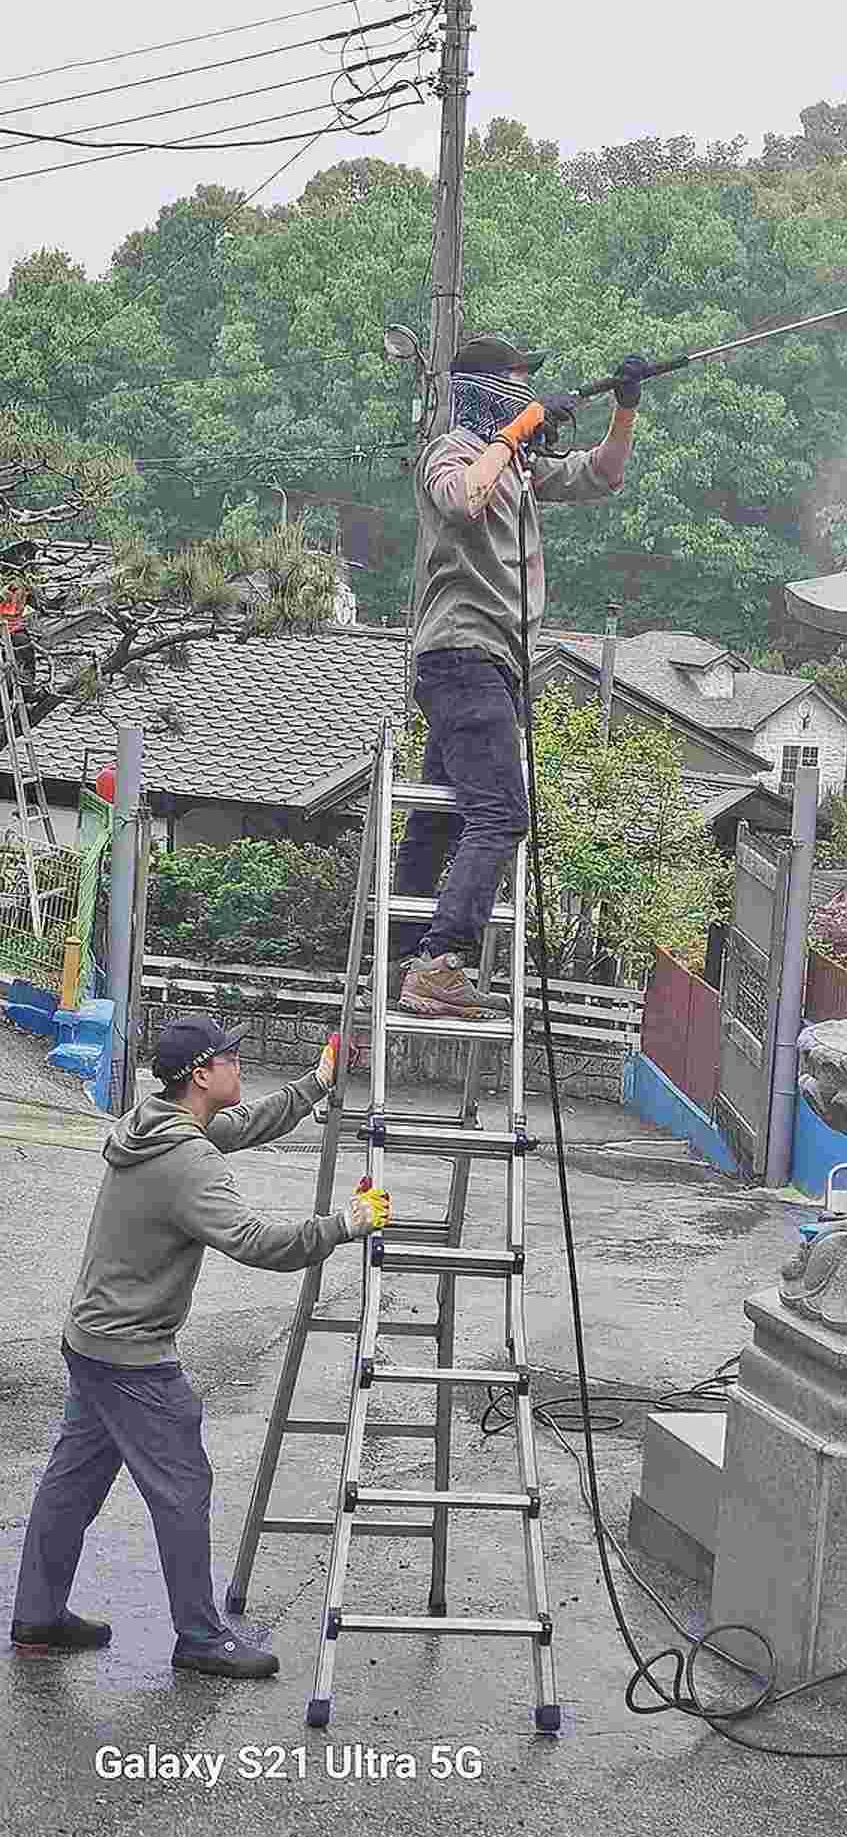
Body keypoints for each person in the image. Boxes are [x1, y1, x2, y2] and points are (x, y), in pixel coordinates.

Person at [9, 1018, 389, 1680]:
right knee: (183, 1484)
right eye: (233, 1057)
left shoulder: (155, 1122)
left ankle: (38, 1616)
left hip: (92, 1339)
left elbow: (242, 1127)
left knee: (71, 1481)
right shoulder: (187, 1161)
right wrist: (345, 1224)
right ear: (201, 1074)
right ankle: (200, 1637)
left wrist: (319, 1081)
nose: (241, 1065)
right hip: (132, 1355)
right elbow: (252, 1241)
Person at [393, 335, 651, 1020]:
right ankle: (440, 960)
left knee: (435, 820)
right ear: (485, 390)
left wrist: (624, 406)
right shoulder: (450, 451)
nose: (526, 390)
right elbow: (462, 500)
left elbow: (602, 475)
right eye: (516, 381)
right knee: (502, 814)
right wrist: (515, 434)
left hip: (494, 663)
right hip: (463, 653)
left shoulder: (520, 467)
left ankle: (400, 955)